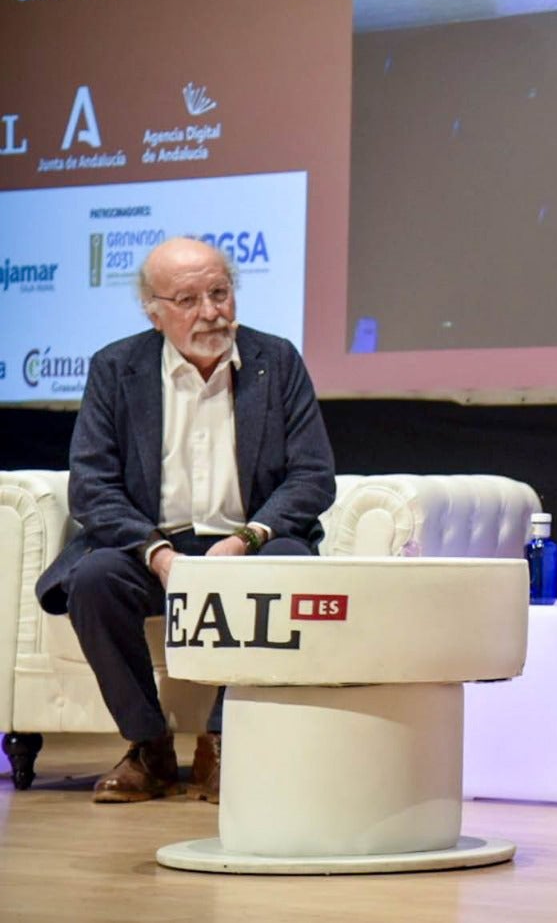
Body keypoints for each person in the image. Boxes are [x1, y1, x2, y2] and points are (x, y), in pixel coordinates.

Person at [35, 237, 336, 804]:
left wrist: (246, 540)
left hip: (248, 546)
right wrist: (158, 554)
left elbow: (313, 477)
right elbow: (92, 486)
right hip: (151, 547)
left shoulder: (278, 361)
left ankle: (222, 743)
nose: (211, 312)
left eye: (220, 293)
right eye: (189, 299)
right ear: (154, 310)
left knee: (289, 566)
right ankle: (147, 747)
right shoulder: (116, 368)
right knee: (94, 580)